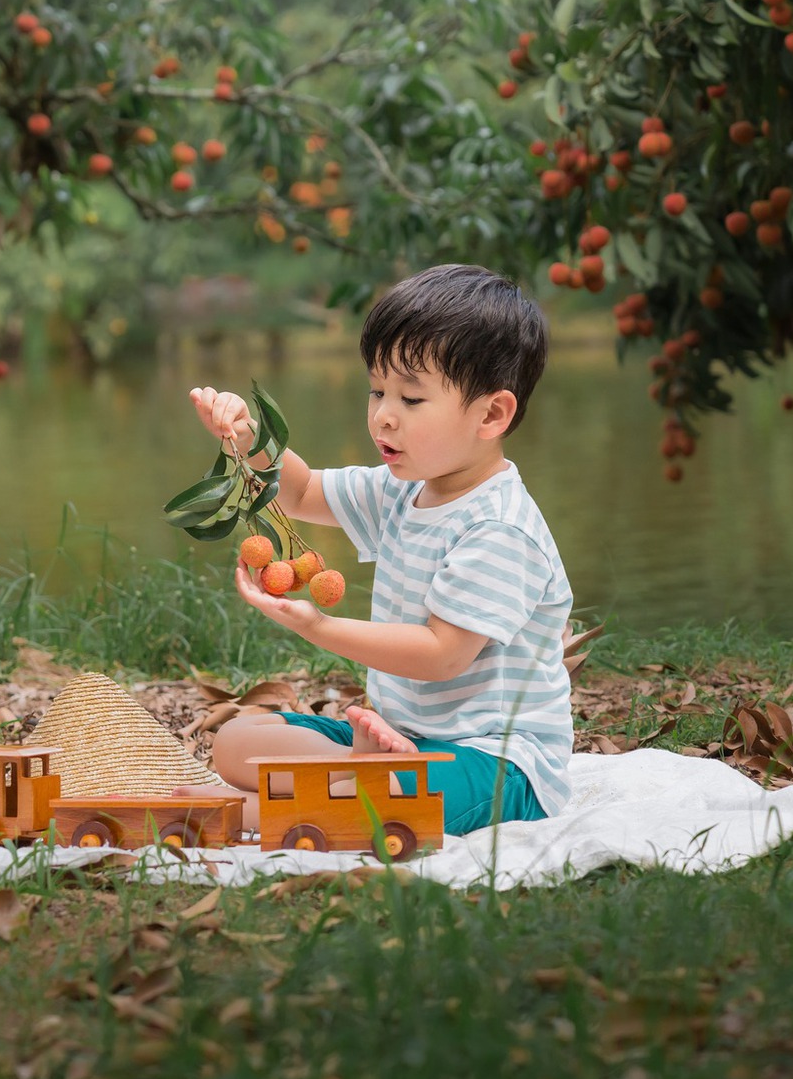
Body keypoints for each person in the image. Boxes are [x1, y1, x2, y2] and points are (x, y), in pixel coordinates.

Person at [178, 264, 575, 837]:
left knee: (405, 793)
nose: (383, 414)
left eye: (411, 398)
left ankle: (265, 809)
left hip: (496, 762)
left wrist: (317, 626)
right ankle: (357, 773)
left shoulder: (501, 528)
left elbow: (441, 654)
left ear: (491, 414)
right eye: (378, 389)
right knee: (238, 740)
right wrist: (246, 436)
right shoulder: (404, 488)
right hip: (402, 737)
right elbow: (304, 491)